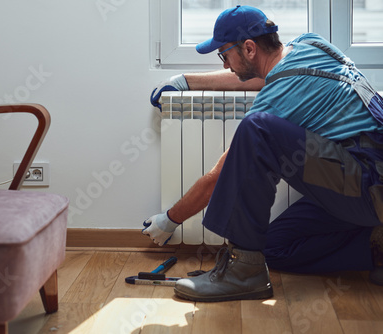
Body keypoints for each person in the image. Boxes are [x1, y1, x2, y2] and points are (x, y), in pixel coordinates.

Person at [142, 5, 383, 302]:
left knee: (257, 129)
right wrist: (187, 81)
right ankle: (376, 245)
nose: (226, 65)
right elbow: (266, 75)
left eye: (224, 55)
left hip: (370, 187)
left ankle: (242, 273)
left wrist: (170, 219)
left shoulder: (282, 94)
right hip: (362, 179)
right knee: (273, 248)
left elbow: (220, 176)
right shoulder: (311, 44)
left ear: (249, 48)